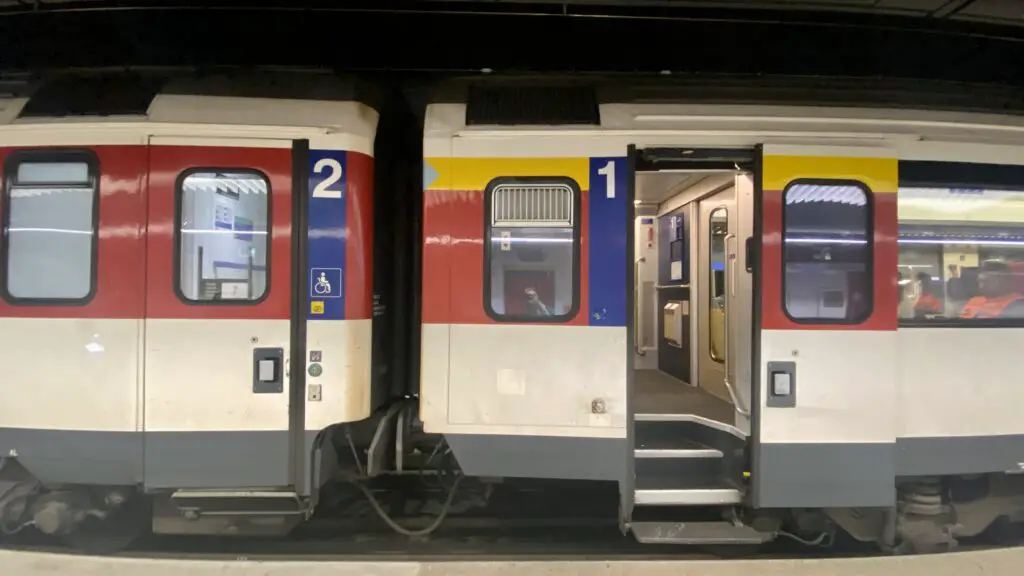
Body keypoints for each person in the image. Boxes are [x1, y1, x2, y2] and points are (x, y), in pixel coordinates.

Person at [959, 260, 1024, 319]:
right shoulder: (974, 301)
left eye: (988, 281)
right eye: (980, 281)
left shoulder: (1018, 302)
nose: (982, 286)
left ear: (1005, 281)